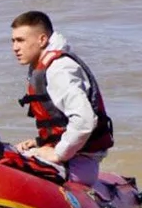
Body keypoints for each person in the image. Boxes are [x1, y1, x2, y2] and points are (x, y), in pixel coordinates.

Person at [10, 11, 114, 186]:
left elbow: (85, 120)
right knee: (11, 152)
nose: (15, 47)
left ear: (42, 40)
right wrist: (40, 142)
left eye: (21, 40)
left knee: (12, 165)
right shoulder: (44, 66)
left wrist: (58, 153)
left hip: (79, 164)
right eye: (13, 41)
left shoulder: (59, 70)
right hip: (73, 157)